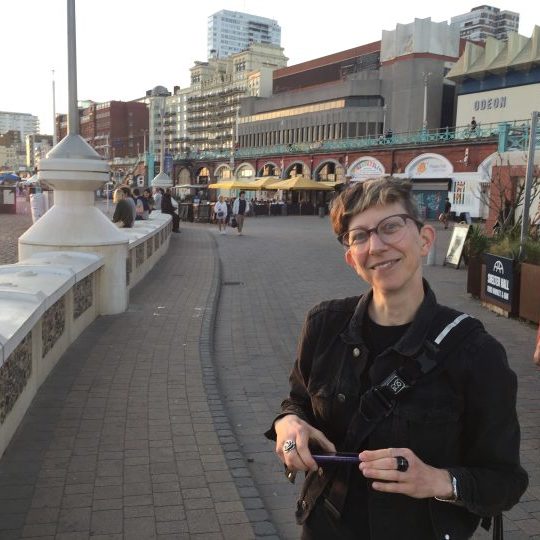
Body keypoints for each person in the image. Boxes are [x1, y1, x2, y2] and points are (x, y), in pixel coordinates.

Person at [266, 177, 527, 539]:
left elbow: (505, 482)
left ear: (425, 240)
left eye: (391, 227)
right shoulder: (323, 325)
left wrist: (438, 480)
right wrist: (288, 425)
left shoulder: (476, 353)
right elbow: (297, 401)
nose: (376, 246)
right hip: (323, 527)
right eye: (360, 236)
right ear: (351, 258)